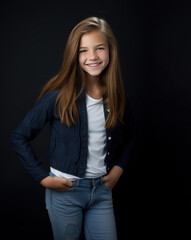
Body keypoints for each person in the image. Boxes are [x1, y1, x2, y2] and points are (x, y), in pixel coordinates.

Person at [11, 16, 135, 240]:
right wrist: (43, 178)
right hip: (65, 193)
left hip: (102, 193)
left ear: (110, 51)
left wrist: (119, 168)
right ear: (73, 55)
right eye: (83, 51)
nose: (93, 57)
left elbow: (131, 135)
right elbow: (19, 136)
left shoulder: (116, 97)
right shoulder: (57, 98)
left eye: (99, 48)